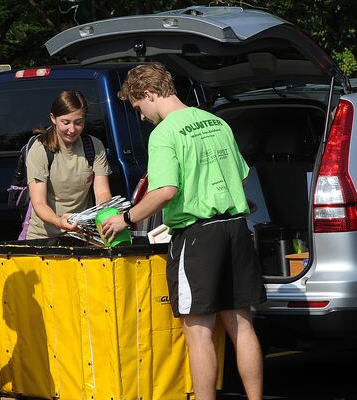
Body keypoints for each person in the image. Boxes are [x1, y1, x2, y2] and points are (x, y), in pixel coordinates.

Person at [100, 63, 266, 400]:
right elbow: (243, 176)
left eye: (137, 108)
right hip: (236, 228)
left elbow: (165, 192)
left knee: (199, 332)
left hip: (199, 235)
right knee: (242, 326)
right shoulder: (217, 122)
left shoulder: (164, 133)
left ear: (148, 93)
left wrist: (126, 218)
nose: (142, 117)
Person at [25, 90, 112, 239]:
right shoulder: (40, 149)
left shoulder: (95, 146)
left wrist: (105, 216)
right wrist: (59, 222)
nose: (72, 129)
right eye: (66, 122)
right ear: (53, 118)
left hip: (82, 234)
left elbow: (102, 193)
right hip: (44, 237)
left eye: (79, 123)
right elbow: (39, 203)